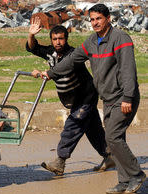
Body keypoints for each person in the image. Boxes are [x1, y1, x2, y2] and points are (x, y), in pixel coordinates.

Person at [42, 3, 145, 194]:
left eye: (99, 19)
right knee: (116, 138)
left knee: (112, 137)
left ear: (108, 19)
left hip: (123, 97)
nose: (95, 23)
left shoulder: (120, 38)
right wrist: (51, 73)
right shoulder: (91, 42)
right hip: (107, 98)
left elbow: (128, 70)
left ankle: (136, 175)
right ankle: (124, 181)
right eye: (92, 19)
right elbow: (72, 60)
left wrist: (128, 97)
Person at [27, 18, 113, 176]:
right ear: (51, 40)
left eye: (61, 39)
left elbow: (63, 68)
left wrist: (42, 73)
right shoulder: (51, 53)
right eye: (55, 39)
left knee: (72, 126)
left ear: (66, 39)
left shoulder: (74, 54)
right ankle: (110, 155)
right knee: (92, 128)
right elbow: (33, 48)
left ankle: (60, 161)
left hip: (85, 96)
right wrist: (31, 35)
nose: (58, 42)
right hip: (73, 99)